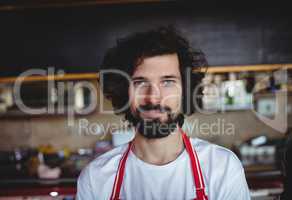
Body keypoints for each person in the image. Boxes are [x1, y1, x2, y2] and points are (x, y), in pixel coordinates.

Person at [76, 26, 251, 200]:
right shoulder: (95, 178)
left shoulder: (223, 168)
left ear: (185, 90)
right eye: (140, 83)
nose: (153, 98)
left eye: (167, 82)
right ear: (122, 91)